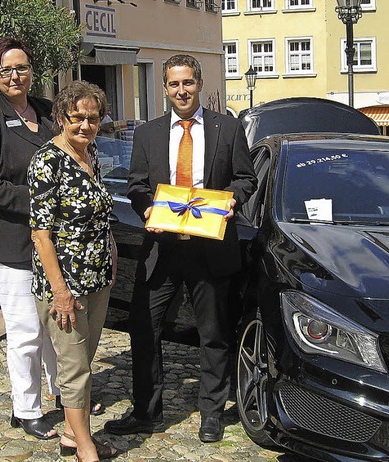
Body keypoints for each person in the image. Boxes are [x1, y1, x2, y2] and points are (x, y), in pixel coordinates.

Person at [104, 54, 257, 443]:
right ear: (165, 88)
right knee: (145, 330)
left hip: (210, 247)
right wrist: (147, 206)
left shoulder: (228, 128)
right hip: (162, 248)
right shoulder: (148, 134)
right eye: (173, 84)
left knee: (213, 333)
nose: (181, 91)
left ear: (199, 83)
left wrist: (228, 201)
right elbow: (136, 185)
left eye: (187, 83)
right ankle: (145, 411)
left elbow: (246, 179)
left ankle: (211, 413)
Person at [0, 37, 60, 440]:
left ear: (32, 70)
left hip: (49, 240)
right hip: (5, 240)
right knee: (25, 328)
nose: (15, 76)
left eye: (21, 68)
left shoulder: (47, 111)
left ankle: (65, 394)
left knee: (56, 322)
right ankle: (26, 408)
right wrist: (38, 199)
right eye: (6, 70)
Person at [28, 80, 118, 462]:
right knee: (74, 368)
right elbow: (40, 235)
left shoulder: (90, 153)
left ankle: (70, 433)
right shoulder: (47, 162)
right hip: (64, 285)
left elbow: (99, 214)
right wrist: (60, 292)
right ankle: (85, 447)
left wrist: (110, 252)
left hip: (97, 278)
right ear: (61, 118)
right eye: (77, 117)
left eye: (92, 118)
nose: (85, 125)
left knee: (85, 360)